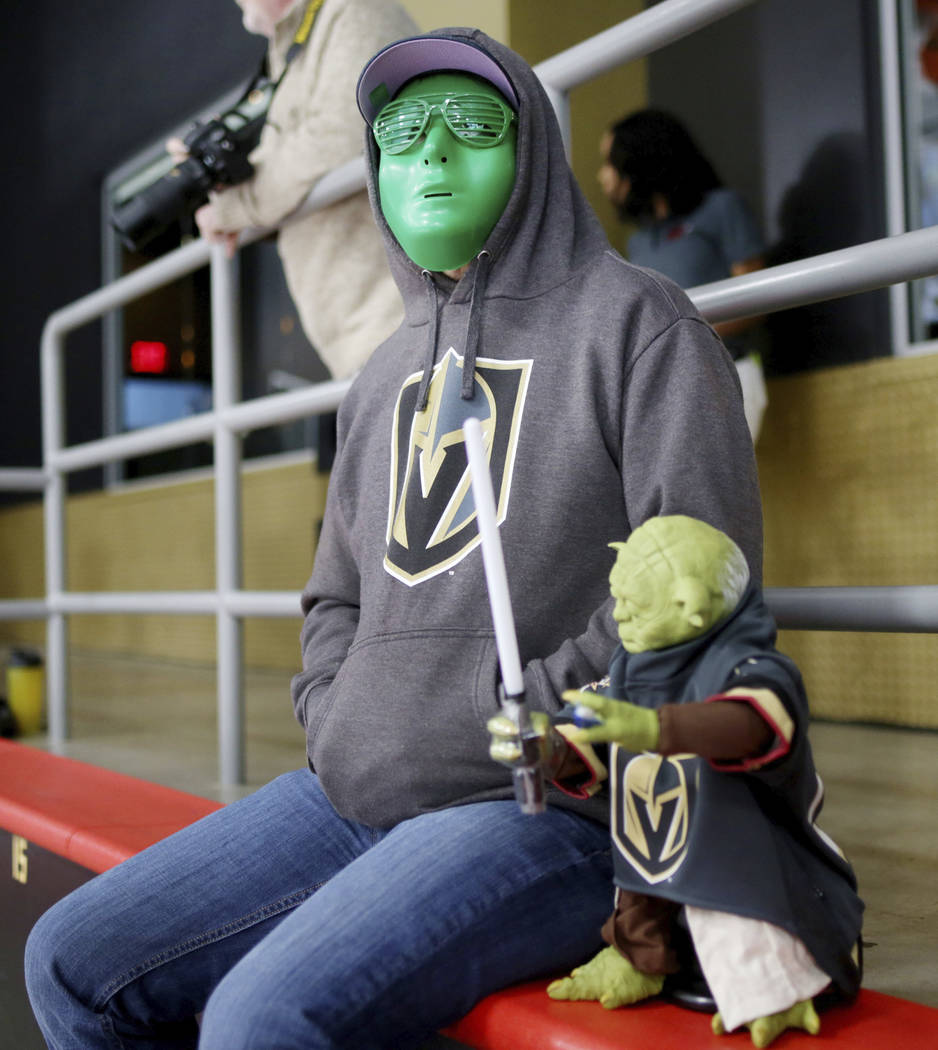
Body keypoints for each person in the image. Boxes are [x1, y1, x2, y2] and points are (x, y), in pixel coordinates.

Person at [25, 29, 763, 1050]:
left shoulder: (639, 327)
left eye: (471, 127)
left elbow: (701, 590)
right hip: (350, 789)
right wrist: (343, 717)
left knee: (259, 1021)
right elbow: (333, 600)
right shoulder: (380, 378)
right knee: (70, 960)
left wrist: (533, 721)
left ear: (533, 150)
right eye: (401, 136)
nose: (430, 156)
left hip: (547, 808)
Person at [522, 516, 862, 1048]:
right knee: (637, 897)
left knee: (745, 925)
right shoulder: (632, 665)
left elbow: (751, 723)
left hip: (741, 846)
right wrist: (545, 747)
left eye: (638, 603)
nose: (621, 613)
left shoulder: (751, 665)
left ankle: (780, 989)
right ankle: (639, 960)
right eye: (619, 598)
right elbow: (590, 730)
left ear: (690, 606)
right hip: (653, 842)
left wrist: (655, 728)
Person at [172, 0, 417, 380]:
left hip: (399, 323)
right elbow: (296, 165)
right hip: (365, 340)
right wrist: (238, 201)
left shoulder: (352, 9)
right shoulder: (295, 44)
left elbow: (342, 131)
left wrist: (236, 207)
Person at [598, 108, 769, 440]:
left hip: (723, 372)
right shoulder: (639, 241)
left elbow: (756, 301)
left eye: (610, 161)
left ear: (639, 158)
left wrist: (680, 334)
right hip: (659, 384)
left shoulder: (721, 209)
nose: (602, 175)